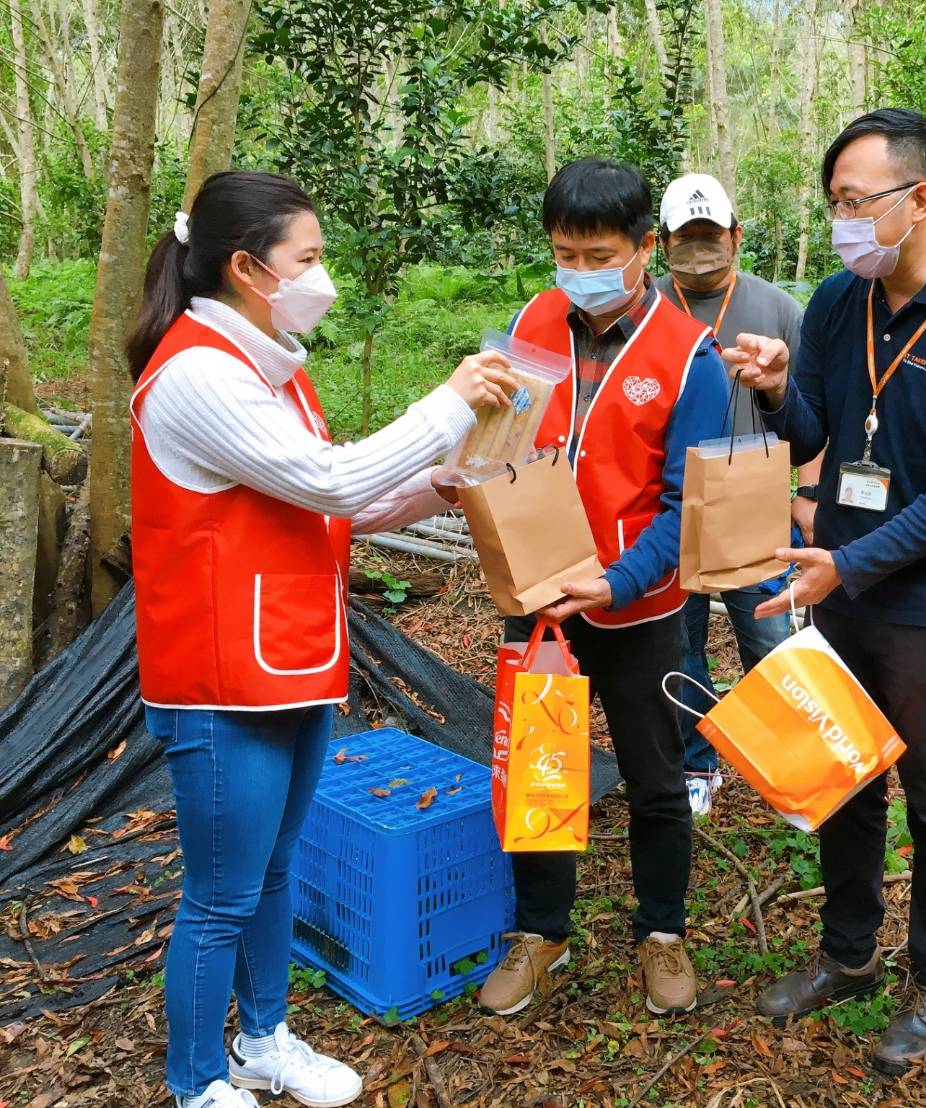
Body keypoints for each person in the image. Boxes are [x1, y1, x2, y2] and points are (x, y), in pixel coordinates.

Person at [127, 171, 516, 1108]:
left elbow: (339, 504)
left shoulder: (268, 368)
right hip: (219, 680)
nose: (321, 274)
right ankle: (195, 1082)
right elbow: (332, 482)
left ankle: (264, 1041)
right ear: (250, 268)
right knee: (221, 896)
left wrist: (441, 485)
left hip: (286, 662)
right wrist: (450, 402)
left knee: (273, 872)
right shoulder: (197, 376)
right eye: (310, 257)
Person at [724, 109, 926, 1073]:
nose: (841, 222)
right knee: (842, 773)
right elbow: (815, 438)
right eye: (833, 205)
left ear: (919, 199)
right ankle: (848, 954)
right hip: (842, 579)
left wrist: (848, 562)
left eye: (854, 202)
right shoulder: (835, 300)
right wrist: (778, 388)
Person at [476, 158, 729, 1020]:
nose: (577, 270)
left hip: (638, 608)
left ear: (643, 248)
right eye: (562, 251)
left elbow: (683, 506)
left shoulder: (689, 353)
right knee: (541, 767)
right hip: (537, 600)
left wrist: (618, 580)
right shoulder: (530, 321)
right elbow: (501, 439)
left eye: (596, 253)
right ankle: (541, 931)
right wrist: (471, 479)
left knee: (657, 779)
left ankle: (661, 933)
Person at [653, 172, 821, 817]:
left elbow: (813, 413)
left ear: (735, 235)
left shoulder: (778, 309)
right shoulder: (647, 306)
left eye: (711, 236)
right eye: (685, 239)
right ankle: (699, 763)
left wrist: (807, 494)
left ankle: (794, 764)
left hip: (757, 502)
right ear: (663, 243)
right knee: (681, 641)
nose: (700, 250)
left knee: (770, 634)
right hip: (674, 502)